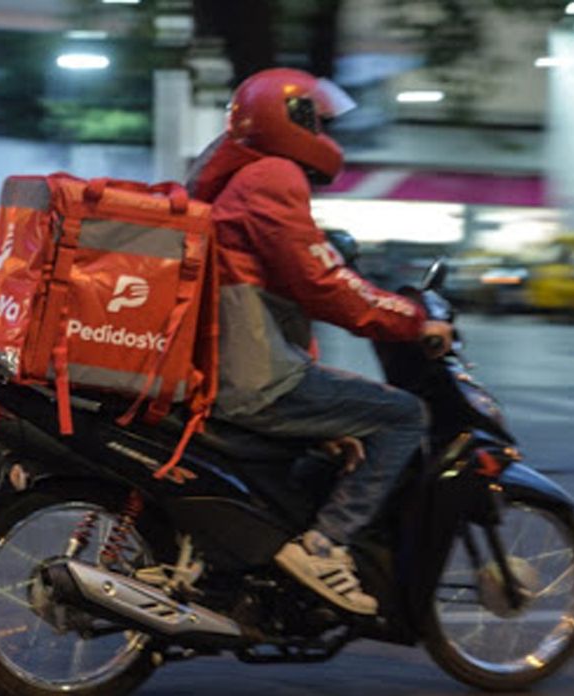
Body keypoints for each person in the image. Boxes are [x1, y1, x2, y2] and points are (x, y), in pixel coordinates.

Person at [186, 68, 453, 615]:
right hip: (258, 379)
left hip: (242, 367)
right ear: (294, 121)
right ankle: (324, 547)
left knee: (340, 430)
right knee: (403, 415)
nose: (332, 137)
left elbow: (302, 283)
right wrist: (412, 319)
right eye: (323, 123)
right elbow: (324, 282)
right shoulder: (272, 178)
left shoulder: (242, 177)